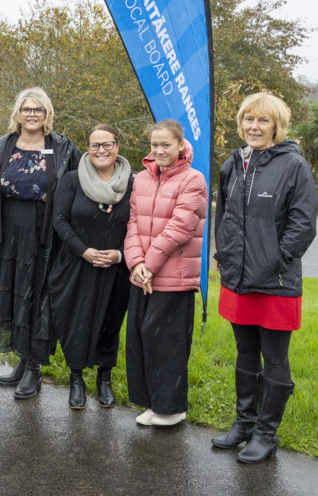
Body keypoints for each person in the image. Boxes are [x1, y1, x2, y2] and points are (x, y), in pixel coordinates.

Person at [212, 92, 317, 463]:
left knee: (274, 358)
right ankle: (244, 423)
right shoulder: (232, 164)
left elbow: (303, 227)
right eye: (248, 120)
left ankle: (266, 434)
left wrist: (274, 261)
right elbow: (223, 214)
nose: (254, 127)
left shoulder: (293, 166)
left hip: (275, 282)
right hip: (237, 278)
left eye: (263, 121)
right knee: (244, 351)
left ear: (277, 126)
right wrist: (223, 254)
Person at [0, 87, 82, 400]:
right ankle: (21, 360)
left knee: (35, 296)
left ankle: (34, 368)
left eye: (38, 110)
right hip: (6, 233)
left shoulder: (63, 148)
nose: (32, 115)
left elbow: (80, 185)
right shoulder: (0, 146)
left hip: (43, 235)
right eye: (27, 109)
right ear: (17, 113)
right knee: (12, 295)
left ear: (48, 114)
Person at [124, 119, 208, 427]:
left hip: (173, 276)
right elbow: (132, 222)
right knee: (140, 339)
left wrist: (150, 264)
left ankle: (172, 409)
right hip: (142, 273)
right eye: (154, 145)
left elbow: (180, 228)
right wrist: (136, 263)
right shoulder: (141, 179)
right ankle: (152, 402)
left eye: (165, 145)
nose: (159, 150)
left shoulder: (194, 179)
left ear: (180, 145)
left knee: (166, 342)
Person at [48, 124, 134, 410]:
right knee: (76, 323)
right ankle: (76, 379)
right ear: (88, 148)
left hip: (116, 269)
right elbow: (59, 220)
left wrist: (120, 255)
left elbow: (140, 226)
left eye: (107, 144)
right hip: (76, 266)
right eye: (95, 145)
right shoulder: (73, 180)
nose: (101, 151)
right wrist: (84, 251)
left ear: (117, 147)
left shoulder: (134, 183)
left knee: (110, 324)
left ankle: (104, 378)